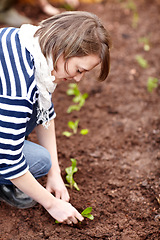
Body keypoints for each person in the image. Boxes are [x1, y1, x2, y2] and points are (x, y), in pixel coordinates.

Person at [0, 11, 111, 224]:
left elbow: (44, 112)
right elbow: (9, 157)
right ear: (64, 50)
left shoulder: (31, 46)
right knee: (38, 162)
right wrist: (52, 204)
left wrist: (55, 174)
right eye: (79, 69)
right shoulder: (19, 86)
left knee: (46, 162)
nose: (78, 79)